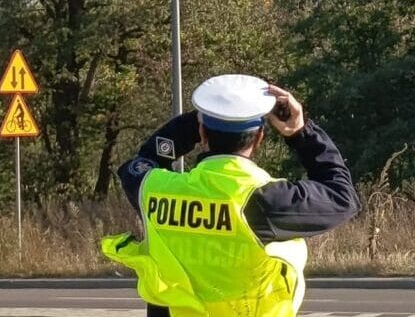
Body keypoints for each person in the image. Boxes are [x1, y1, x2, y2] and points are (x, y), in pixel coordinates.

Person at [101, 75, 360, 317]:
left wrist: (198, 121)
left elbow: (143, 161)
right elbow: (342, 195)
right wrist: (300, 133)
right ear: (259, 137)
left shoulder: (155, 189)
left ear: (202, 135)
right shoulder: (266, 200)